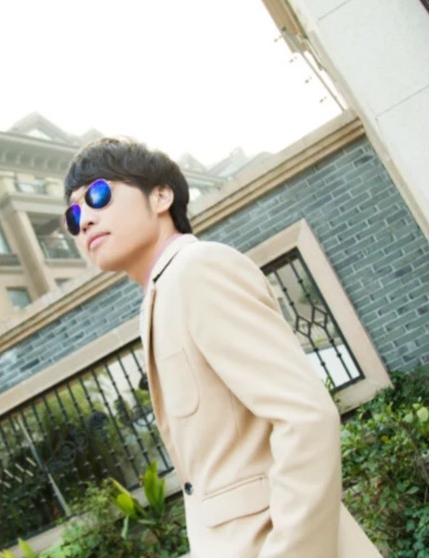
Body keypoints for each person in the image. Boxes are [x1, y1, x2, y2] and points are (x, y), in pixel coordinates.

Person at [63, 137, 381, 558]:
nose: (84, 220)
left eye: (98, 195)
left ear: (161, 196)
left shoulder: (199, 269)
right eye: (73, 215)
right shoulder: (162, 296)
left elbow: (305, 417)